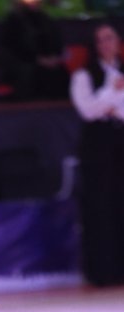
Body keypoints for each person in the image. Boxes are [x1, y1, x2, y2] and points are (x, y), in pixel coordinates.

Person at [69, 22, 124, 287]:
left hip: (121, 139)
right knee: (100, 205)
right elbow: (88, 110)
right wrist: (113, 92)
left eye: (109, 38)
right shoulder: (83, 75)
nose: (105, 44)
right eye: (100, 40)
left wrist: (111, 105)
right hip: (98, 145)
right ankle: (103, 271)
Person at [0, 0, 69, 100]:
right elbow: (13, 48)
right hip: (25, 65)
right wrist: (38, 59)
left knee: (59, 76)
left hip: (50, 63)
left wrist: (54, 57)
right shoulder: (12, 21)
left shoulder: (45, 19)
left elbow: (56, 41)